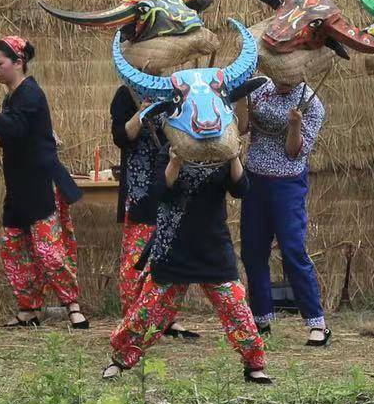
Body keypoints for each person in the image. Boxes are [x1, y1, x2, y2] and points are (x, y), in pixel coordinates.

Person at [103, 146, 270, 383]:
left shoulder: (221, 148)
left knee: (235, 305)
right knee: (148, 310)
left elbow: (240, 188)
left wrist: (233, 157)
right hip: (173, 246)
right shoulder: (169, 148)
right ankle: (119, 359)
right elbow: (158, 191)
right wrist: (175, 161)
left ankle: (254, 365)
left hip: (212, 245)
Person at [0, 36, 88, 328]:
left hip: (39, 181)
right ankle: (28, 309)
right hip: (18, 183)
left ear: (18, 63)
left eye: (0, 63)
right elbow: (8, 131)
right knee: (14, 247)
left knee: (49, 252)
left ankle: (73, 305)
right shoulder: (12, 96)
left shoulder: (31, 94)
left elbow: (15, 128)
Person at [241, 71, 330, 345]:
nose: (283, 81)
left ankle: (316, 323)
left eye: (289, 77)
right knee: (253, 250)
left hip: (287, 184)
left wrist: (294, 125)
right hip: (254, 179)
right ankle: (262, 318)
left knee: (292, 250)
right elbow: (243, 128)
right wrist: (241, 98)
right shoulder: (259, 88)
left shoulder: (311, 102)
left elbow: (294, 153)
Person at [110, 81, 171, 319]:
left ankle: (164, 317)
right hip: (140, 189)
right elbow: (121, 137)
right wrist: (141, 112)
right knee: (136, 257)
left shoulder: (173, 90)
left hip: (170, 181)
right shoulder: (127, 93)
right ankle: (134, 316)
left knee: (167, 253)